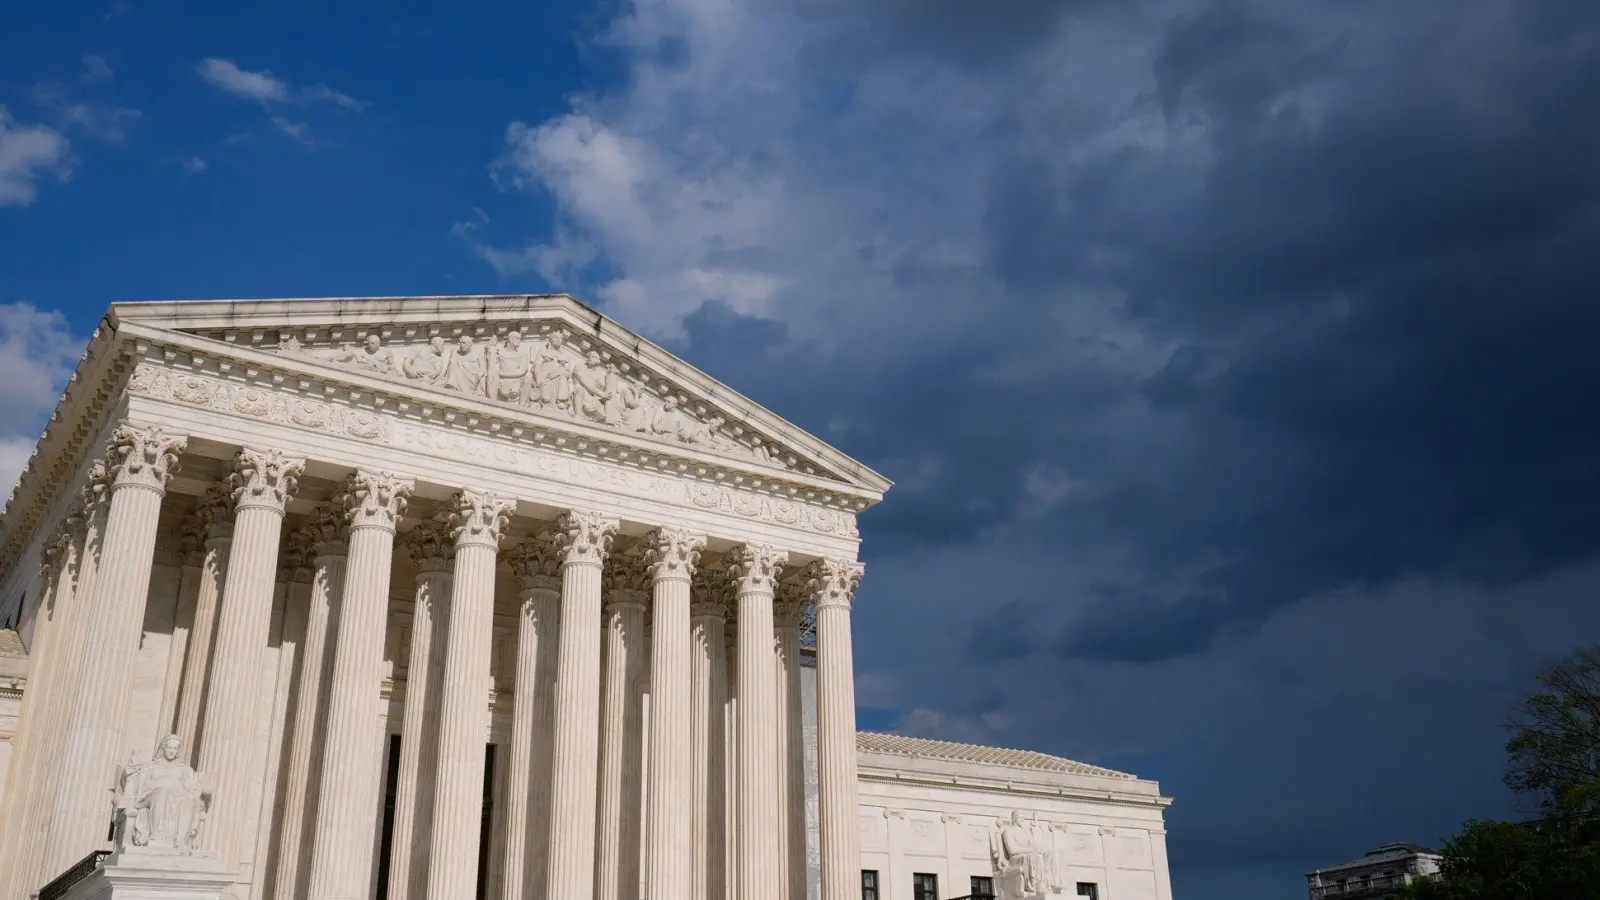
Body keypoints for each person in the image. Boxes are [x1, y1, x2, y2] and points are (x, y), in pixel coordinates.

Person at [114, 734, 211, 853]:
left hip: (178, 796)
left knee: (190, 799)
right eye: (169, 748)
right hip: (150, 796)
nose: (171, 751)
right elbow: (132, 780)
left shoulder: (185, 769)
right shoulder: (151, 766)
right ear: (163, 748)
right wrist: (128, 772)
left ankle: (181, 840)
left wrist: (203, 790)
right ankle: (157, 835)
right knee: (163, 791)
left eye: (175, 748)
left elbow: (194, 787)